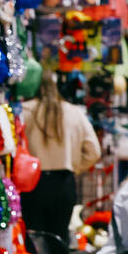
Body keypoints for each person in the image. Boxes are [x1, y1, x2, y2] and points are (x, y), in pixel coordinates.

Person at [20, 72, 102, 243]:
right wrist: (75, 166)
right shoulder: (73, 112)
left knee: (33, 240)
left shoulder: (24, 111)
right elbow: (93, 151)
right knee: (58, 240)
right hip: (63, 182)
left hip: (32, 184)